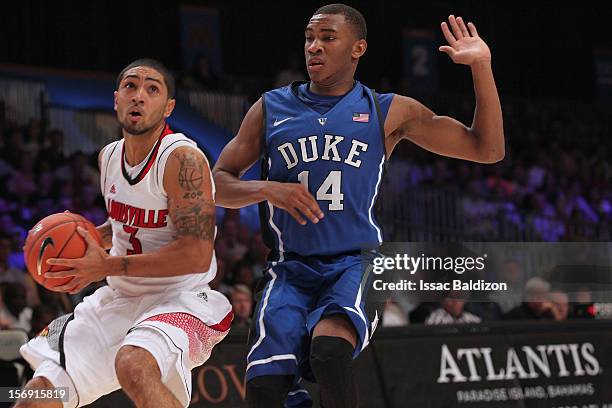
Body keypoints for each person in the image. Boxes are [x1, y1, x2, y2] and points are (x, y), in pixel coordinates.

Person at [212, 4, 504, 407]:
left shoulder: (388, 110)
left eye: (328, 38)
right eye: (310, 38)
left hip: (354, 263)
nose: (314, 47)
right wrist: (268, 190)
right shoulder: (270, 108)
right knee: (265, 392)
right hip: (289, 269)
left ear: (357, 48)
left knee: (330, 354)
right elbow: (217, 183)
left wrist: (481, 68)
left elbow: (486, 149)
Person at [17, 59, 232, 408]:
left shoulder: (182, 159)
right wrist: (86, 241)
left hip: (183, 297)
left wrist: (105, 267)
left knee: (132, 364)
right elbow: (122, 228)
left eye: (152, 89)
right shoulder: (109, 157)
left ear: (169, 107)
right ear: (116, 99)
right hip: (119, 300)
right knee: (37, 395)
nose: (139, 96)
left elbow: (196, 254)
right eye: (131, 87)